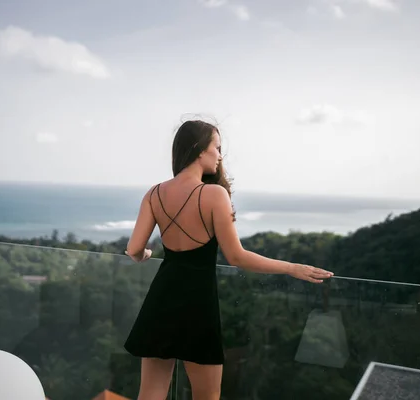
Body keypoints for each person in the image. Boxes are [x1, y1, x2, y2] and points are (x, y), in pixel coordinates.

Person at [123, 119, 334, 400]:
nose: (221, 156)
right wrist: (291, 268)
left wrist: (146, 255)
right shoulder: (214, 194)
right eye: (218, 148)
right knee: (207, 395)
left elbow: (134, 248)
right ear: (200, 150)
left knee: (150, 392)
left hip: (161, 296)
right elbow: (237, 257)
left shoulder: (154, 193)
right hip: (198, 302)